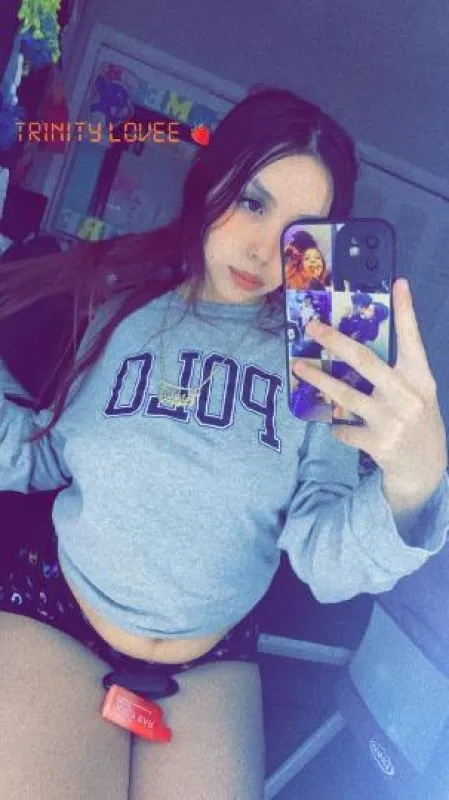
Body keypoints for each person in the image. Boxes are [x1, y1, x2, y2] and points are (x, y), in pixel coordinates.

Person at [0, 86, 448, 800]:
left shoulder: (317, 366)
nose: (265, 250)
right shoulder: (120, 312)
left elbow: (324, 558)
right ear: (210, 184)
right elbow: (45, 452)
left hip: (209, 657)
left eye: (300, 232)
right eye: (252, 201)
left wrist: (413, 488)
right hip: (60, 611)